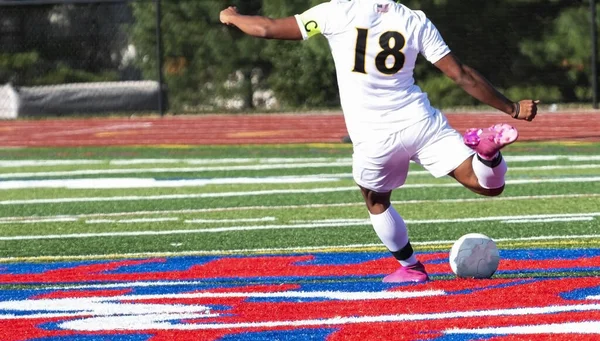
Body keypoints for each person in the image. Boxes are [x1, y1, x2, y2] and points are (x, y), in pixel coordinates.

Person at [220, 0, 538, 283]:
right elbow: (461, 75)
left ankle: (411, 266)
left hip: (374, 136)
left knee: (376, 200)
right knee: (488, 185)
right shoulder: (415, 19)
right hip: (420, 121)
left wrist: (233, 17)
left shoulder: (335, 12)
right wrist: (511, 107)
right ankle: (487, 155)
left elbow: (266, 28)